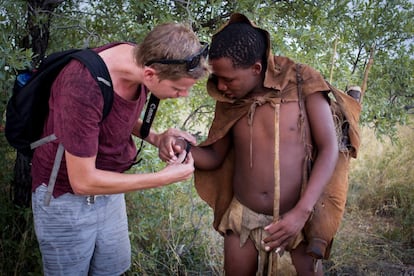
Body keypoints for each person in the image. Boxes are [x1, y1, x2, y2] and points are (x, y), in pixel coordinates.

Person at [160, 13, 361, 275]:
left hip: (298, 217)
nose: (221, 86)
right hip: (243, 215)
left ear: (256, 69)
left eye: (228, 79)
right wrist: (183, 149)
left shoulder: (302, 83)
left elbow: (329, 148)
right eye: (217, 78)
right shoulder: (230, 98)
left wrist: (301, 212)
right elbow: (215, 157)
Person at [31, 22, 208, 275]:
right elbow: (82, 181)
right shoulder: (82, 84)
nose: (184, 95)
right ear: (149, 75)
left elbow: (108, 115)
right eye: (179, 89)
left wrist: (156, 137)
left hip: (109, 189)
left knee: (112, 269)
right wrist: (161, 178)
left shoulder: (145, 58)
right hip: (64, 196)